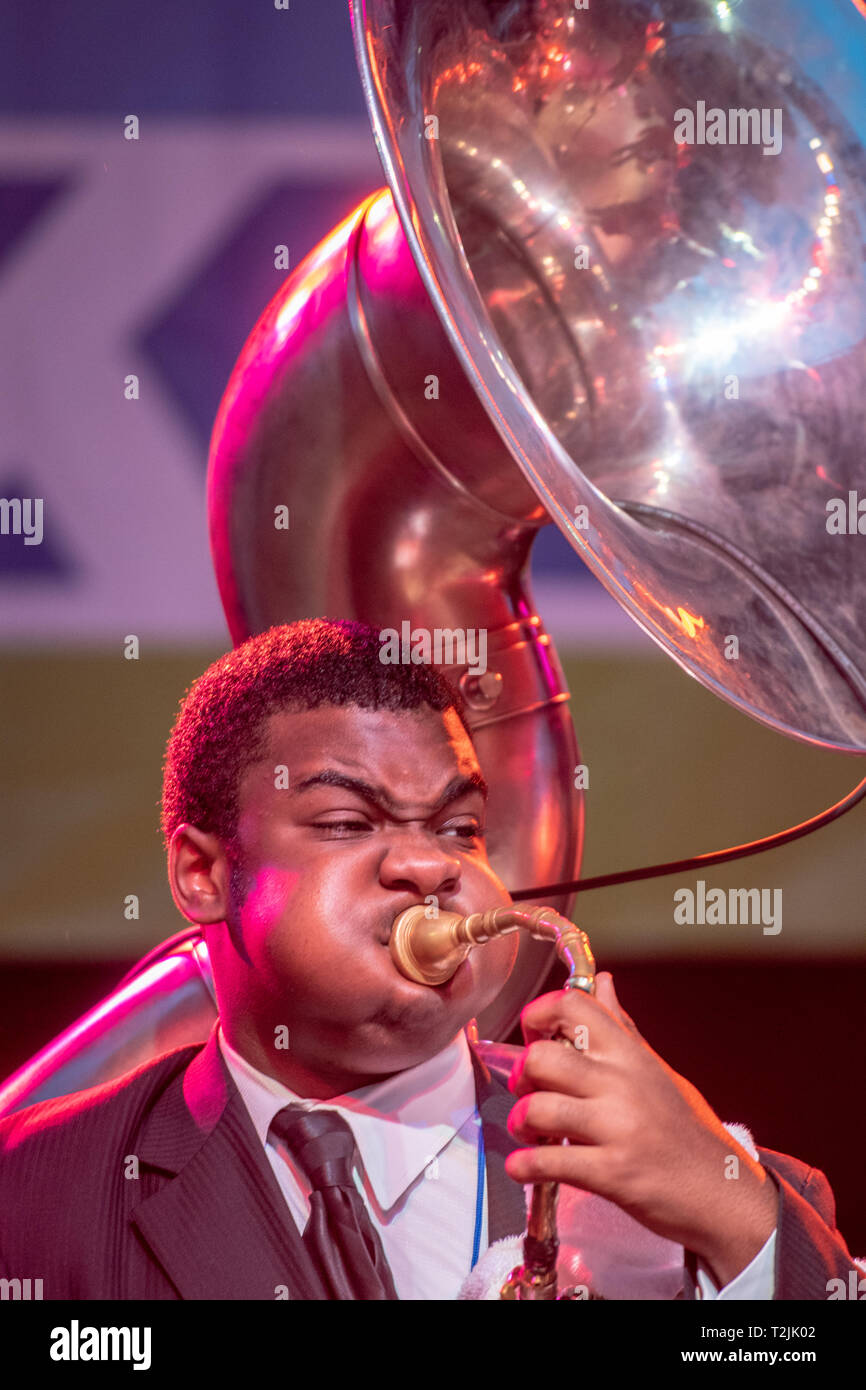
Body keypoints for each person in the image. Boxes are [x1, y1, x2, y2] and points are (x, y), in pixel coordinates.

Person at [0, 619, 859, 1300]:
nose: (432, 865)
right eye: (347, 822)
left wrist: (734, 1219)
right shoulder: (32, 1192)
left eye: (459, 829)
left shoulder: (741, 1195)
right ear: (205, 874)